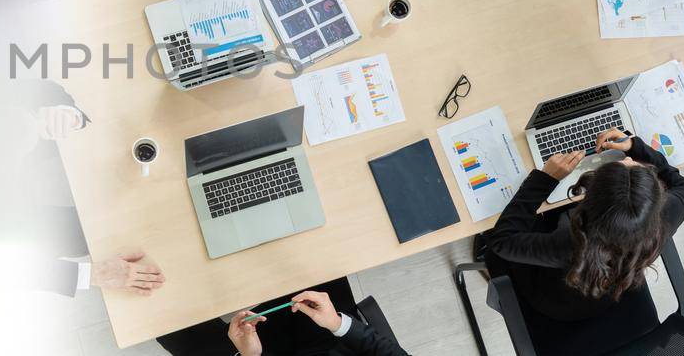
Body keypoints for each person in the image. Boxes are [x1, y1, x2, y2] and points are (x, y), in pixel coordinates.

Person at [480, 129, 684, 353]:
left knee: (498, 243)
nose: (629, 160)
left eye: (629, 164)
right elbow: (683, 188)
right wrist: (634, 147)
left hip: (555, 305)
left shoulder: (569, 245)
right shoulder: (664, 216)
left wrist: (545, 180)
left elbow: (502, 242)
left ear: (588, 197)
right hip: (615, 290)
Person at [24, 82, 166, 297]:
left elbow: (42, 88)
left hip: (74, 162)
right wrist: (93, 275)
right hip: (45, 229)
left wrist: (67, 114)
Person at [156, 279, 409, 356]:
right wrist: (336, 323)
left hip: (259, 353)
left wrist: (250, 355)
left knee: (162, 323)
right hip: (330, 343)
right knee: (306, 250)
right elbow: (385, 352)